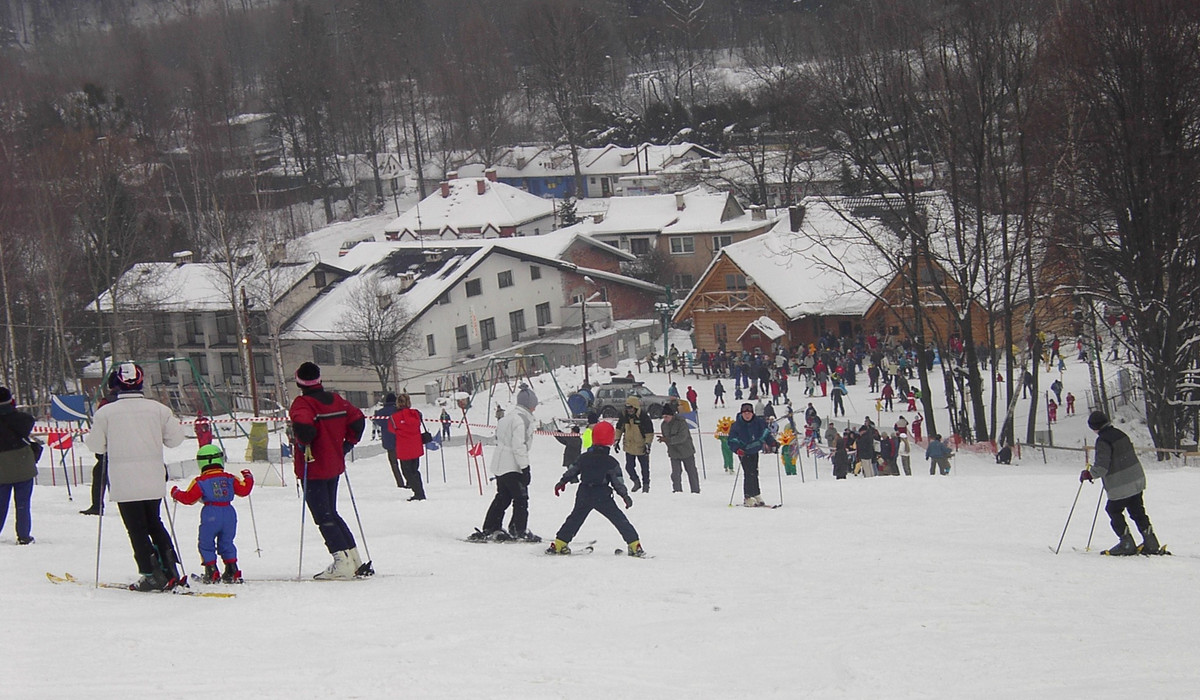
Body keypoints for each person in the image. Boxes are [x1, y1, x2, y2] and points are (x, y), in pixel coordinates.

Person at [85, 363, 188, 591]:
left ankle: (151, 573)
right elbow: (175, 439)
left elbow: (96, 446)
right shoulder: (158, 409)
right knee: (155, 522)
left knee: (137, 528)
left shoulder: (106, 413)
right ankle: (171, 568)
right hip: (152, 477)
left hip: (124, 480)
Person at [289, 361, 371, 580]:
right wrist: (345, 445)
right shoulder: (336, 400)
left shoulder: (302, 404)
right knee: (331, 512)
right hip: (334, 465)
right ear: (319, 379)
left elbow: (305, 429)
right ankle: (353, 557)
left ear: (299, 382)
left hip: (313, 466)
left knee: (322, 516)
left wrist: (301, 439)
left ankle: (341, 561)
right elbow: (358, 421)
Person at [547, 421, 646, 557]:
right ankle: (635, 545)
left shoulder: (584, 458)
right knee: (619, 519)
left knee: (575, 519)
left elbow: (573, 470)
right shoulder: (611, 462)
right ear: (610, 440)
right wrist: (624, 495)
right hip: (602, 495)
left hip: (584, 493)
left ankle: (559, 544)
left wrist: (562, 482)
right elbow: (617, 481)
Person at [1080, 411, 1163, 555]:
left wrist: (1089, 474)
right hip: (1136, 479)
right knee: (1137, 510)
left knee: (1113, 509)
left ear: (1094, 427)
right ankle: (1151, 542)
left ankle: (1126, 543)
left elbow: (1102, 467)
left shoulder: (1103, 441)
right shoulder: (1120, 434)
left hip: (1121, 484)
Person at [170, 445, 253, 583]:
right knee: (227, 542)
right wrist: (248, 477)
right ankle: (232, 568)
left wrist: (176, 493)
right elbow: (244, 490)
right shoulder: (229, 478)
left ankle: (211, 570)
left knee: (206, 542)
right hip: (229, 513)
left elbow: (189, 498)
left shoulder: (200, 481)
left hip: (210, 513)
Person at [473, 385, 540, 541]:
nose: (535, 408)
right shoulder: (522, 420)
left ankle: (491, 526)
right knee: (521, 498)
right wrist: (525, 468)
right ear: (529, 404)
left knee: (503, 497)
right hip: (512, 466)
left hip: (500, 464)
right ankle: (519, 530)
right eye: (534, 405)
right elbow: (519, 446)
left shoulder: (508, 417)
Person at [0, 387, 38, 545]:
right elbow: (29, 421)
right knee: (23, 504)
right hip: (23, 466)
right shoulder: (22, 419)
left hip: (1, 469)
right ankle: (23, 535)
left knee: (1, 504)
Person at [80, 384, 119, 515]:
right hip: (130, 445)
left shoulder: (107, 401)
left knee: (100, 474)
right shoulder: (137, 402)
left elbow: (100, 423)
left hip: (110, 445)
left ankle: (97, 505)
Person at [727, 402, 774, 506]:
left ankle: (756, 493)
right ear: (741, 414)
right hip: (743, 452)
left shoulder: (759, 422)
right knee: (748, 473)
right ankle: (748, 497)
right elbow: (731, 440)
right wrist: (737, 449)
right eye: (745, 413)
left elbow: (766, 434)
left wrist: (772, 443)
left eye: (749, 413)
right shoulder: (736, 425)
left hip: (754, 450)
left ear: (752, 413)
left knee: (755, 472)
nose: (747, 415)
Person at [387, 393, 427, 501]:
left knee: (407, 472)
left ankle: (418, 493)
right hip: (416, 446)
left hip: (404, 449)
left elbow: (391, 429)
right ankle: (419, 491)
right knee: (415, 470)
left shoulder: (394, 418)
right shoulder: (416, 414)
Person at [614, 396, 655, 493]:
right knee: (629, 467)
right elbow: (619, 428)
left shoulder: (643, 417)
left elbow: (649, 432)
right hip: (629, 446)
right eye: (628, 408)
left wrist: (648, 444)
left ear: (636, 407)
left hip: (641, 446)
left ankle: (646, 485)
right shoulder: (624, 416)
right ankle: (636, 482)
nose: (629, 410)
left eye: (631, 408)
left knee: (645, 468)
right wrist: (616, 440)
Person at [657, 403, 700, 494]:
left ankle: (695, 490)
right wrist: (665, 440)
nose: (665, 418)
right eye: (663, 417)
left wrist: (668, 440)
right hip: (674, 453)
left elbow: (682, 437)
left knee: (691, 472)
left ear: (672, 415)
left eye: (667, 416)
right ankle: (677, 491)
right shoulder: (663, 425)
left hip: (686, 451)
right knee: (675, 473)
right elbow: (666, 438)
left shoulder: (681, 422)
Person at [372, 393, 405, 489]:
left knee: (394, 464)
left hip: (389, 442)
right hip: (401, 440)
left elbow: (376, 421)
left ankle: (400, 483)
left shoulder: (381, 413)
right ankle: (409, 481)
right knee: (404, 463)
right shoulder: (399, 410)